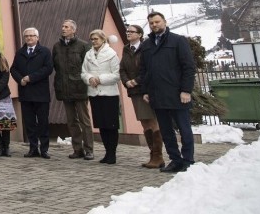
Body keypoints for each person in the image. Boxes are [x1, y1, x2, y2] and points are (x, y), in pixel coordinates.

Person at [139, 11, 196, 173]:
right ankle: (175, 160)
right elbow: (144, 70)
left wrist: (186, 90)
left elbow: (188, 67)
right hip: (157, 95)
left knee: (184, 130)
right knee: (166, 131)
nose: (154, 25)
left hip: (177, 94)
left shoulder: (178, 41)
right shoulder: (147, 45)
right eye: (151, 23)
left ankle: (187, 160)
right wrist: (145, 90)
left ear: (164, 22)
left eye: (157, 22)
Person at [120, 24, 164, 168]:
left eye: (132, 32)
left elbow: (148, 68)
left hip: (146, 89)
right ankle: (152, 153)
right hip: (133, 91)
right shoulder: (126, 49)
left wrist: (136, 80)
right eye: (127, 31)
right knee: (144, 122)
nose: (128, 33)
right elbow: (122, 69)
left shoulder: (146, 47)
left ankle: (158, 156)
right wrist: (126, 81)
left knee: (152, 121)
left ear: (139, 34)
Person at [52, 19, 94, 160]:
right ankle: (78, 149)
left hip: (80, 88)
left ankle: (89, 150)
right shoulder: (57, 46)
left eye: (67, 27)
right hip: (64, 89)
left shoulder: (83, 46)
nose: (63, 29)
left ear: (74, 30)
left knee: (85, 121)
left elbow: (88, 67)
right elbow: (56, 67)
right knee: (71, 121)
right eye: (62, 26)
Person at [10, 27, 54, 158]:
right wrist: (20, 79)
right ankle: (33, 148)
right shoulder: (20, 52)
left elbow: (48, 68)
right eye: (27, 36)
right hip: (26, 93)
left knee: (43, 123)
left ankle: (44, 149)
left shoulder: (44, 51)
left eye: (32, 36)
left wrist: (31, 77)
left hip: (41, 93)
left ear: (37, 38)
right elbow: (13, 69)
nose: (29, 38)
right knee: (29, 123)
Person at [81, 29, 121, 164]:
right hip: (94, 93)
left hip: (109, 93)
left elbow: (116, 74)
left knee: (111, 125)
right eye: (92, 39)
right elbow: (83, 72)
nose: (94, 41)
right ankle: (106, 152)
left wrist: (100, 79)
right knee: (101, 125)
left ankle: (112, 153)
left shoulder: (111, 54)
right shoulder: (88, 54)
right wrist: (90, 78)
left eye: (96, 39)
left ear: (103, 39)